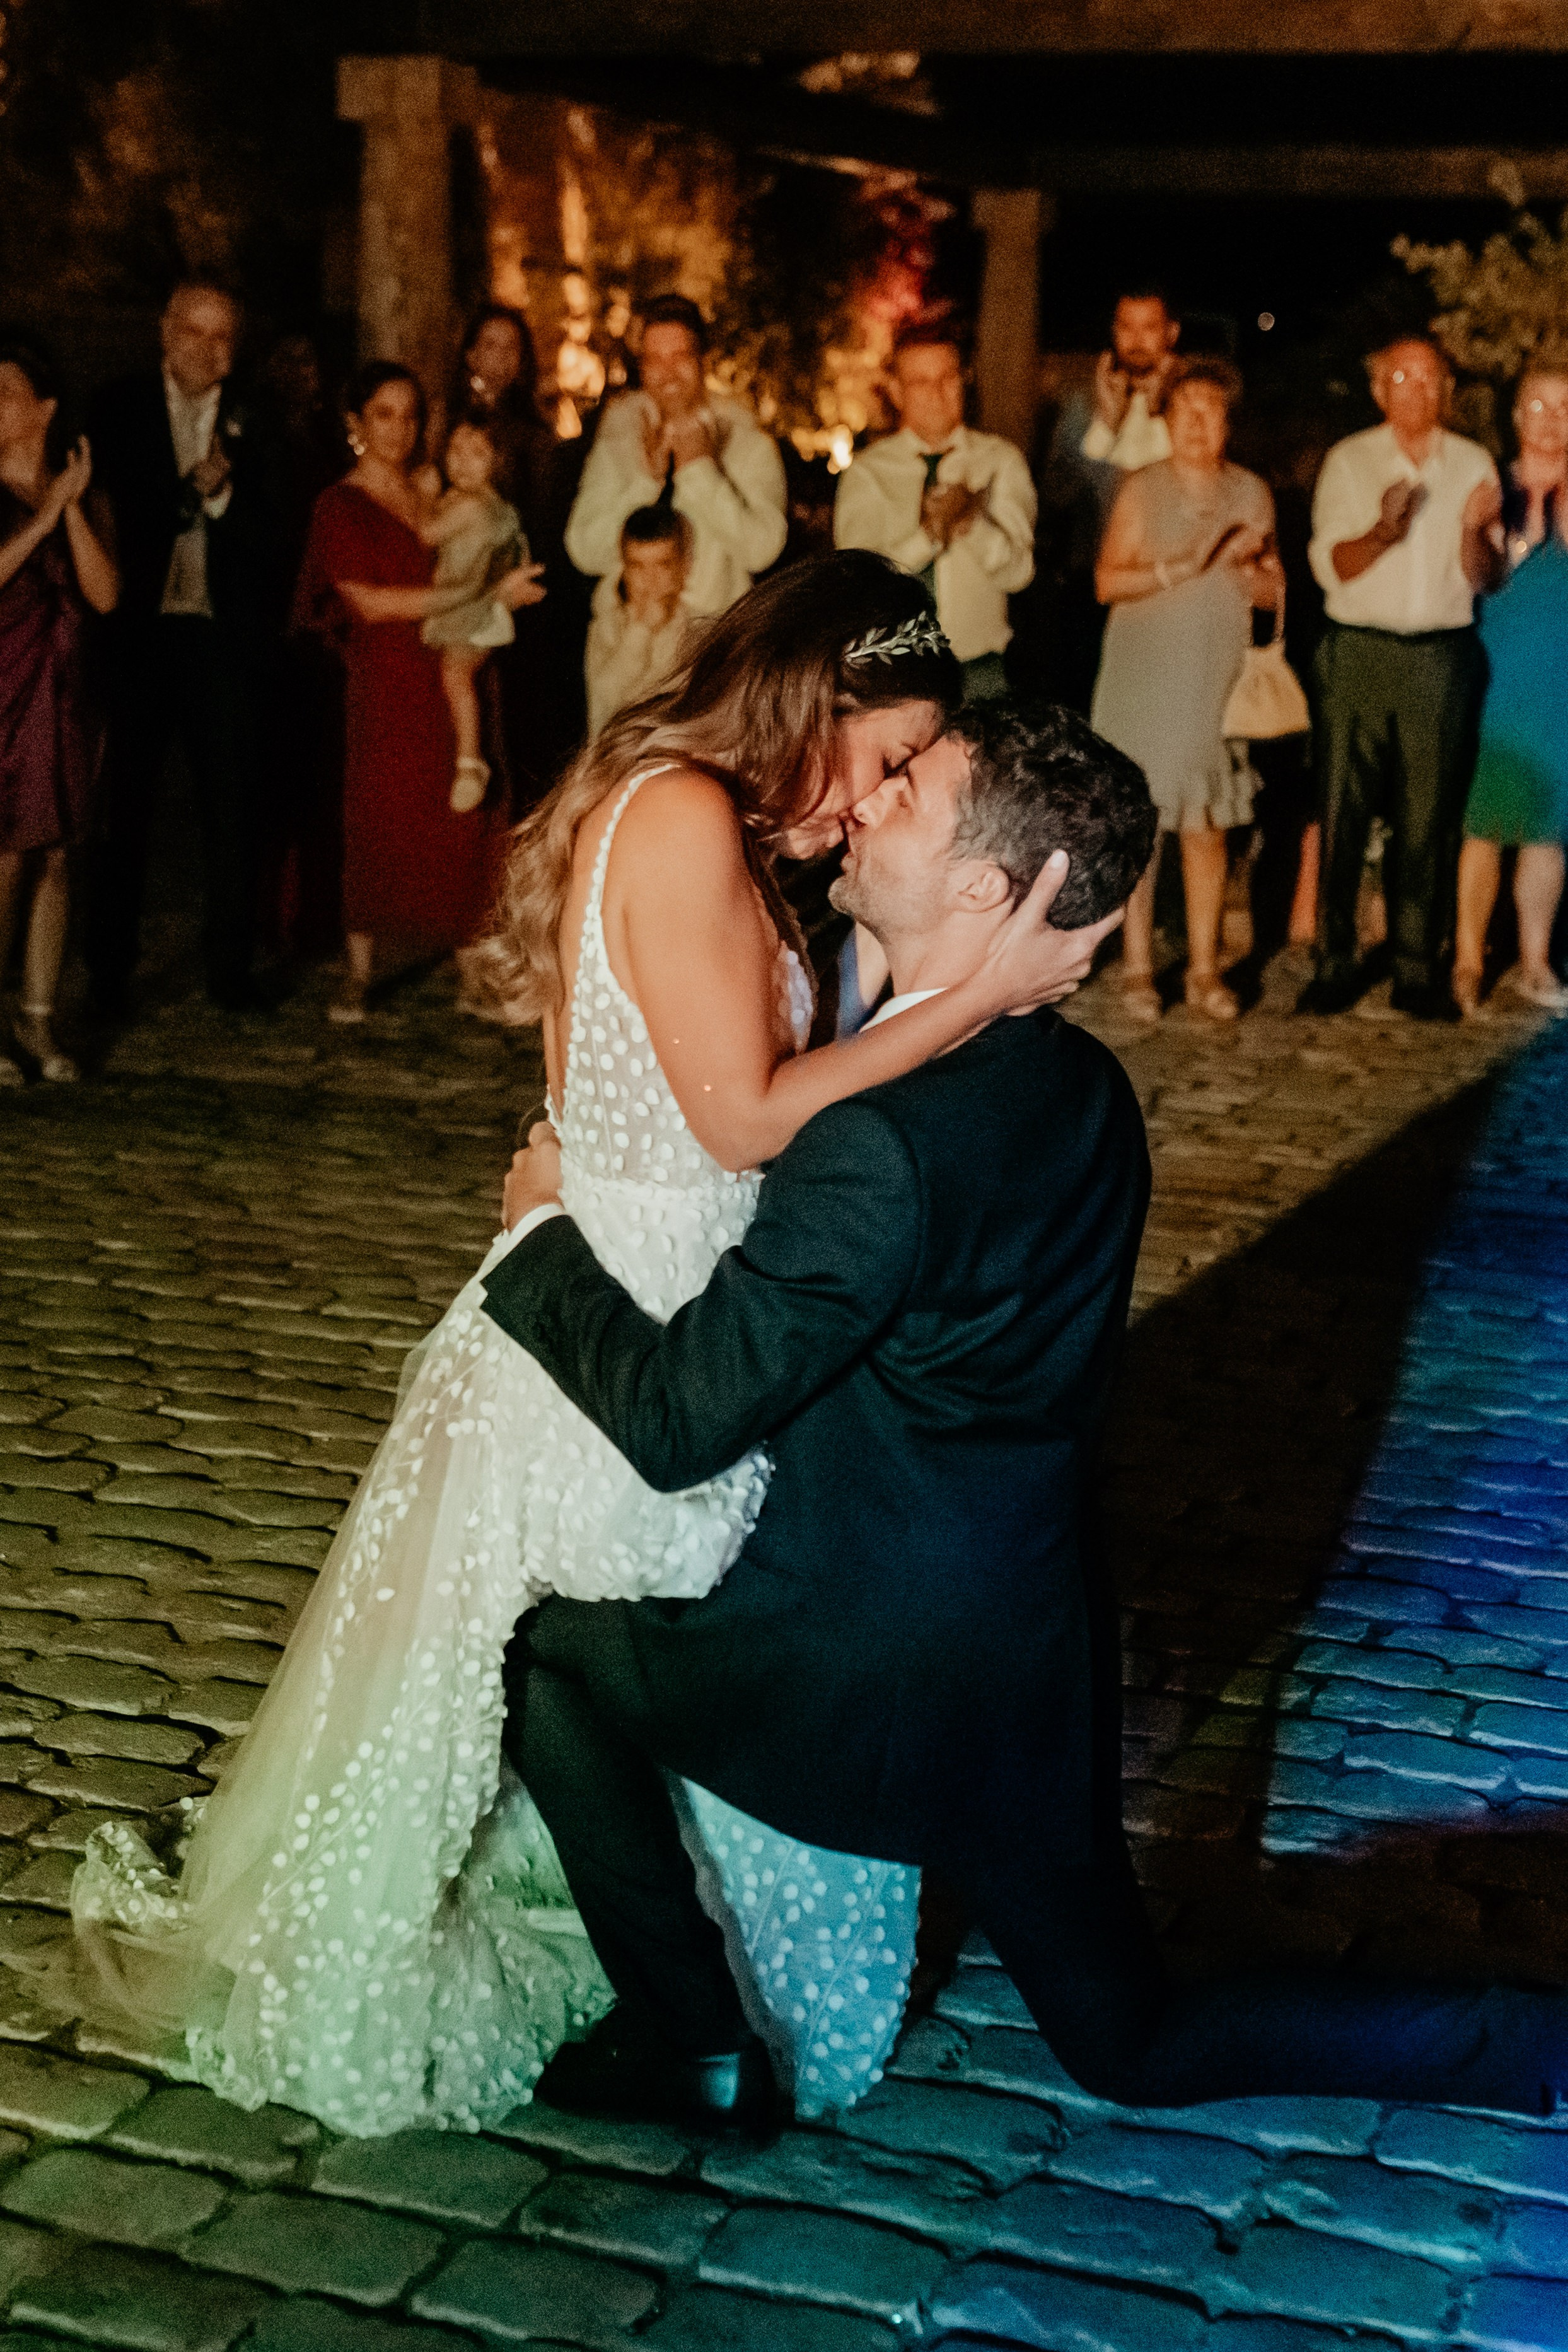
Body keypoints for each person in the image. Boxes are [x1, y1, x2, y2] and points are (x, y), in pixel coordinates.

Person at [69, 552, 1115, 2137]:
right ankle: (674, 1992)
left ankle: (683, 1988)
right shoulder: (687, 810)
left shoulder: (725, 821)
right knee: (578, 1639)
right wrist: (974, 995)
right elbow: (749, 1111)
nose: (881, 794)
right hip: (619, 1324)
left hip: (675, 1291)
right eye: (885, 752)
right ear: (811, 692)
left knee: (631, 1640)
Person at [489, 696, 1568, 2134]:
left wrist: (540, 1237)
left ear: (990, 889)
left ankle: (688, 2030)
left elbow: (679, 1415)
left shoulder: (876, 1140)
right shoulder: (1086, 1088)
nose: (866, 801)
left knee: (539, 1647)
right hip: (1031, 1662)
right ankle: (1522, 2041)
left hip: (865, 1668)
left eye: (910, 792)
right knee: (1133, 2037)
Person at [289, 362, 542, 1024]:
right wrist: (476, 595)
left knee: (464, 814)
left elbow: (488, 542)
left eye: (409, 415)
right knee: (379, 811)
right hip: (389, 675)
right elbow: (367, 603)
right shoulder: (338, 504)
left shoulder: (436, 491)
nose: (399, 429)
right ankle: (360, 970)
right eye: (383, 414)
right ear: (356, 423)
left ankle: (469, 960)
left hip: (454, 665)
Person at [83, 280, 275, 1016]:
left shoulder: (254, 415)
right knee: (126, 805)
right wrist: (186, 494)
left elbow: (273, 531)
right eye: (195, 331)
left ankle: (229, 966)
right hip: (138, 634)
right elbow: (116, 510)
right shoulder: (118, 405)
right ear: (166, 331)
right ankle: (108, 970)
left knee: (231, 805)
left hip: (220, 638)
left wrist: (224, 500)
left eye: (222, 335)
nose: (208, 348)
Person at [1301, 336, 1504, 1020]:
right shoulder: (1349, 460)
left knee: (1428, 816)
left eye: (1428, 378)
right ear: (1379, 389)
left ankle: (1417, 967)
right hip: (1358, 651)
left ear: (1446, 389)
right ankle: (1334, 962)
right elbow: (1332, 567)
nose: (1415, 390)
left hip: (1438, 657)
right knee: (1342, 808)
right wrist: (1385, 531)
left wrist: (1477, 531)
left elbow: (1487, 578)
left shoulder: (1473, 463)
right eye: (1400, 377)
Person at [1091, 358, 1282, 1022]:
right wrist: (1185, 563)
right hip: (1145, 676)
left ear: (1229, 421)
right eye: (1186, 409)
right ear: (1166, 420)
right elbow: (1107, 583)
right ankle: (1140, 968)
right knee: (1142, 823)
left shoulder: (1252, 492)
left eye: (1212, 408)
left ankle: (1205, 969)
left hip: (1215, 677)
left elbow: (1272, 592)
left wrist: (1257, 572)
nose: (1198, 421)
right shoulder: (1142, 489)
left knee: (1206, 824)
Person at [0, 339, 118, 1085]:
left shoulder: (83, 491)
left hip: (67, 692)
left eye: (6, 392)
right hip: (3, 694)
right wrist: (42, 517)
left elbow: (106, 595)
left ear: (43, 408)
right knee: (6, 854)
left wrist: (71, 506)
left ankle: (38, 1018)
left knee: (58, 857)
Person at [833, 323, 1037, 706]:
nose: (937, 394)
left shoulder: (999, 460)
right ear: (896, 391)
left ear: (965, 380)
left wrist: (970, 523)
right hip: (891, 677)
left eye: (948, 378)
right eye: (920, 382)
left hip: (979, 675)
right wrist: (928, 535)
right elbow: (860, 583)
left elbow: (1019, 572)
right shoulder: (867, 472)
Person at [1453, 363, 1568, 1017]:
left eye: (1565, 408)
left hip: (1561, 676)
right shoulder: (1492, 483)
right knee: (1485, 824)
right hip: (1500, 672)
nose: (1551, 420)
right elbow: (1481, 574)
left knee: (1549, 828)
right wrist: (1476, 530)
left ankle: (1534, 960)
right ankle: (1468, 962)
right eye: (1538, 406)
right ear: (1516, 415)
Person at [565, 295, 787, 620]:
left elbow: (761, 552)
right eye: (654, 360)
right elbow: (586, 553)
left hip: (712, 645)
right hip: (629, 652)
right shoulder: (618, 442)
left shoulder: (749, 444)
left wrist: (700, 472)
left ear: (703, 362)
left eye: (680, 357)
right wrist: (644, 484)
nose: (667, 374)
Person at [451, 303, 582, 807]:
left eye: (511, 348)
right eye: (490, 345)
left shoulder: (533, 433)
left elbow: (543, 520)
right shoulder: (450, 419)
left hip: (517, 597)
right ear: (469, 354)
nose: (500, 358)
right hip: (454, 586)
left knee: (515, 725)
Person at [1038, 287, 1184, 714]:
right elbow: (1055, 497)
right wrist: (1106, 426)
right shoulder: (1081, 403)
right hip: (1091, 591)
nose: (1137, 340)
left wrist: (1160, 414)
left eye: (1149, 327)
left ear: (1170, 333)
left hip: (1169, 585)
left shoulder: (1190, 403)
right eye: (1126, 327)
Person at [421, 415, 526, 813]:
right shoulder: (495, 505)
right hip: (481, 607)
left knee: (456, 673)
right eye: (456, 450)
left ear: (497, 462)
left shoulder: (469, 506)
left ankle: (470, 761)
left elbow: (424, 535)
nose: (462, 462)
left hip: (472, 612)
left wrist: (421, 493)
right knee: (458, 676)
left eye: (477, 454)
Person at [584, 505, 692, 737]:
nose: (649, 580)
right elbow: (604, 706)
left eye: (663, 565)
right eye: (637, 566)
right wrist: (640, 631)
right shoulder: (607, 630)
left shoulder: (700, 631)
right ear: (624, 569)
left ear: (684, 567)